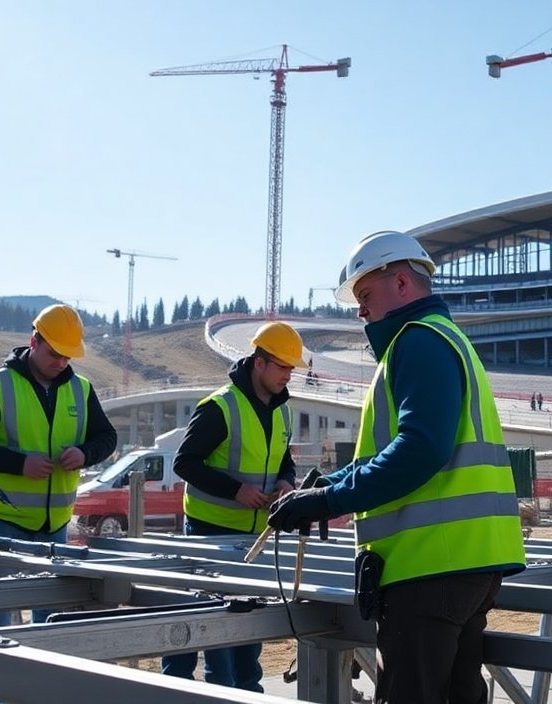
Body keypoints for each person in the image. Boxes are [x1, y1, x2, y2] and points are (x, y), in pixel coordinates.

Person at [267, 231, 527, 704]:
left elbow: (419, 451)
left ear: (402, 283)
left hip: (430, 567)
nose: (360, 311)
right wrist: (331, 484)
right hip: (465, 560)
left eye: (365, 295)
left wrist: (327, 500)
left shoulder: (417, 342)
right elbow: (407, 452)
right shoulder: (444, 340)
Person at [0, 303, 117, 704]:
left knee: (50, 625)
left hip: (55, 528)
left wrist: (85, 452)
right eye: (54, 353)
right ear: (33, 342)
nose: (61, 362)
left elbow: (107, 438)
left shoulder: (81, 389)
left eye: (67, 355)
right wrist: (18, 464)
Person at [159, 321, 306, 691]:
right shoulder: (220, 407)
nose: (289, 375)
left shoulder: (282, 411)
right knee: (218, 644)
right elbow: (185, 463)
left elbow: (282, 459)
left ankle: (246, 694)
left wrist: (287, 480)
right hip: (212, 534)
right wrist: (235, 491)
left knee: (246, 637)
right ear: (259, 363)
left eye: (291, 368)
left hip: (254, 541)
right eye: (283, 367)